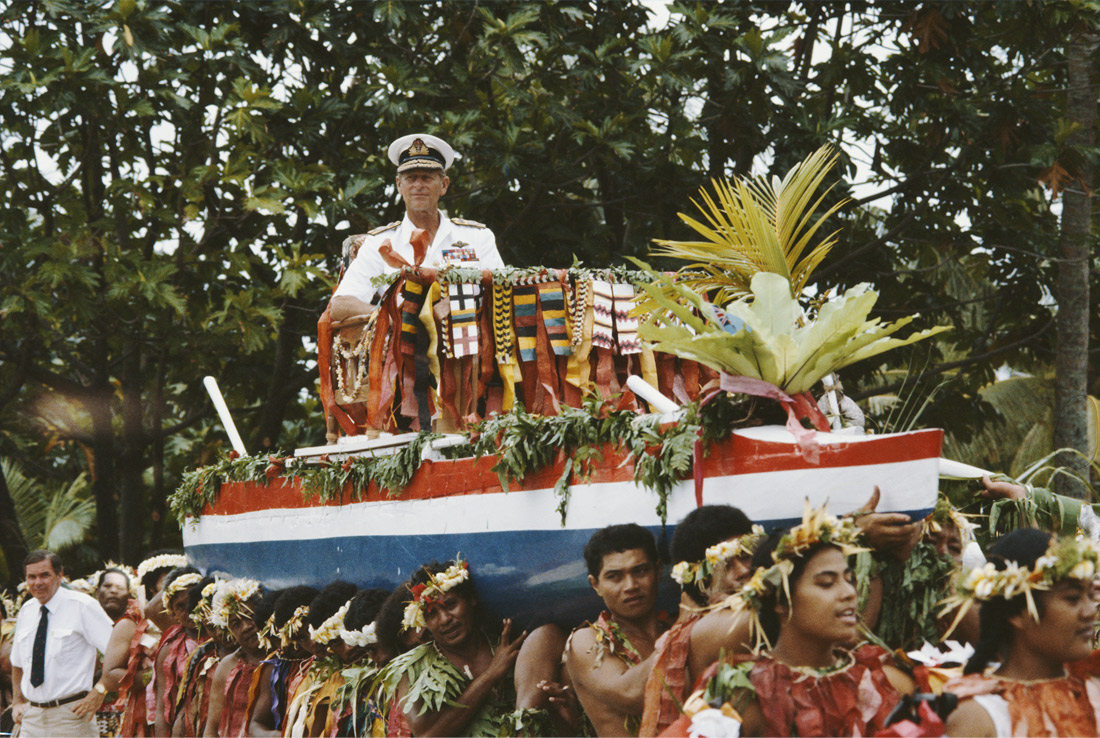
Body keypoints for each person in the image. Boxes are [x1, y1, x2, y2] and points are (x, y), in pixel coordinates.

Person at [669, 502, 915, 737]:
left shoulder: (884, 682)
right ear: (779, 600)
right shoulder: (744, 692)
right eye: (826, 583)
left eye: (849, 579)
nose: (849, 592)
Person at [329, 133, 504, 321]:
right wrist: (395, 319)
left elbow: (503, 290)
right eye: (411, 178)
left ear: (444, 185)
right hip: (401, 347)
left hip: (467, 344)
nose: (418, 185)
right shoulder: (380, 244)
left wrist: (457, 304)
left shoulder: (478, 237)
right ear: (399, 185)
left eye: (427, 178)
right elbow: (340, 305)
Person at [944, 529, 1100, 736]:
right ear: (1017, 613)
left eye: (1091, 595)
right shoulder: (980, 718)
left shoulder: (1093, 692)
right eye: (1072, 598)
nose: (1090, 611)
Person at [639, 506, 759, 736]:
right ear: (702, 585)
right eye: (726, 565)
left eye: (745, 556)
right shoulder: (715, 626)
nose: (744, 570)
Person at [376, 558, 525, 737]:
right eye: (432, 613)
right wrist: (490, 675)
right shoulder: (412, 670)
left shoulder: (505, 646)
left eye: (451, 605)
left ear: (471, 599)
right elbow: (427, 734)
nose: (445, 619)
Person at [563, 524, 668, 737]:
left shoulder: (674, 629)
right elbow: (631, 695)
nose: (630, 585)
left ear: (658, 571)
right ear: (595, 584)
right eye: (614, 576)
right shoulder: (586, 641)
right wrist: (684, 631)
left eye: (640, 571)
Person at [9, 550, 114, 738]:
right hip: (31, 718)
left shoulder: (82, 606)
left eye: (44, 575)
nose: (37, 582)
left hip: (72, 717)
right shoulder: (27, 610)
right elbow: (17, 663)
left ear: (60, 575)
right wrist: (17, 701)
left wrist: (99, 691)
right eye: (31, 577)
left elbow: (118, 654)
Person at [204, 578, 265, 738]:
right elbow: (211, 728)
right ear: (229, 631)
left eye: (249, 616)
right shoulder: (227, 666)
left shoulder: (282, 661)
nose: (246, 627)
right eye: (236, 624)